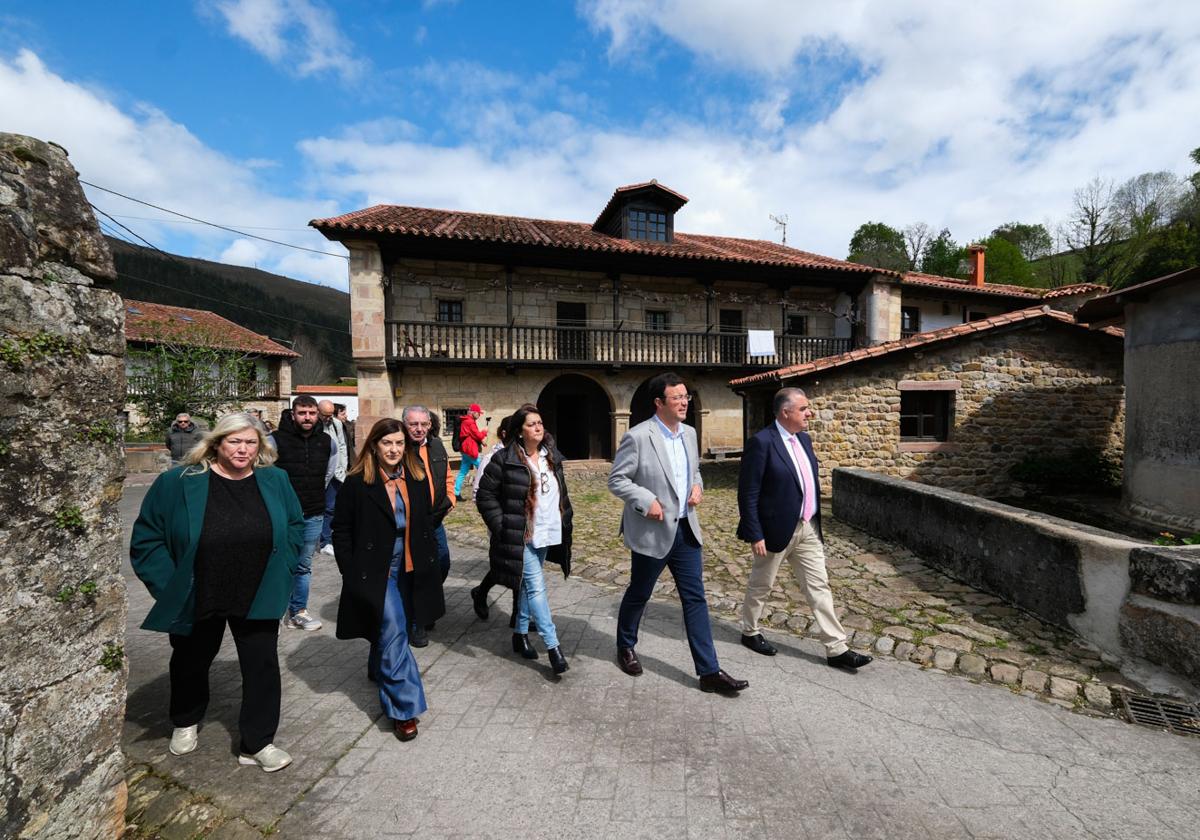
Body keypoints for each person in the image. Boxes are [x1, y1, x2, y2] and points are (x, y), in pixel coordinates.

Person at [130, 412, 305, 772]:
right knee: (190, 661)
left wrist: (285, 566)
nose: (243, 449)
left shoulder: (276, 479)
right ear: (216, 443)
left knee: (261, 667)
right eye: (235, 441)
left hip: (257, 589)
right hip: (199, 590)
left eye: (251, 442)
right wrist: (169, 587)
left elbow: (293, 525)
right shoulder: (178, 481)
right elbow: (147, 539)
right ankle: (185, 720)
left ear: (260, 446)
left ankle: (257, 743)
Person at [608, 372, 748, 695]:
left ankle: (709, 671)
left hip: (686, 530)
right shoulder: (638, 436)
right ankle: (625, 645)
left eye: (686, 396)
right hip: (652, 531)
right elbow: (617, 480)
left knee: (695, 598)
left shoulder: (689, 433)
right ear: (659, 403)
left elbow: (694, 470)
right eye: (677, 397)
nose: (684, 402)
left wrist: (698, 486)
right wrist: (646, 501)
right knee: (640, 592)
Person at [736, 388, 873, 671]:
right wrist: (754, 532)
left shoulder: (805, 440)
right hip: (775, 529)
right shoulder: (762, 443)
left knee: (819, 586)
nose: (809, 413)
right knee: (762, 585)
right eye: (803, 409)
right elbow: (748, 492)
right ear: (785, 412)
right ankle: (750, 631)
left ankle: (836, 648)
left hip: (808, 526)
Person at [333, 414, 450, 741]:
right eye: (387, 442)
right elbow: (340, 530)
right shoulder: (358, 482)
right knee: (395, 629)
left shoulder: (414, 475)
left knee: (395, 622)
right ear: (374, 444)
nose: (394, 449)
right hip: (375, 565)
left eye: (399, 443)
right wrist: (350, 570)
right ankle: (404, 707)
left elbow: (426, 516)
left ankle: (376, 664)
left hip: (411, 562)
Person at [475, 404, 573, 675]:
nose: (538, 427)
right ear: (519, 431)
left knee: (530, 584)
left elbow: (560, 491)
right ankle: (553, 646)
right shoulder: (504, 459)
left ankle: (519, 634)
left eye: (540, 422)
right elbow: (485, 496)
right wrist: (502, 526)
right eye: (531, 424)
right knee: (537, 588)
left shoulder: (550, 456)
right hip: (521, 534)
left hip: (547, 530)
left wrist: (566, 517)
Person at [269, 396, 337, 632]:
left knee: (304, 565)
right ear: (293, 414)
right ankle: (273, 612)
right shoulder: (275, 440)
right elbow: (266, 475)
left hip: (313, 512)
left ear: (317, 414)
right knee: (278, 563)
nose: (307, 417)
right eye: (302, 413)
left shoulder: (327, 441)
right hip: (282, 515)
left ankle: (298, 612)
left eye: (311, 413)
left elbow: (328, 475)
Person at [394, 406, 455, 647]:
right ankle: (416, 620)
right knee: (415, 570)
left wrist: (450, 498)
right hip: (409, 521)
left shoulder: (437, 446)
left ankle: (426, 603)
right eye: (413, 425)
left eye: (423, 424)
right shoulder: (399, 448)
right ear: (405, 425)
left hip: (435, 519)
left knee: (441, 563)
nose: (419, 429)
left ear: (430, 425)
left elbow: (447, 476)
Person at [469, 414, 513, 620]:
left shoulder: (523, 455)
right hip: (500, 523)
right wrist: (497, 522)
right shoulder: (490, 458)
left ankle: (518, 617)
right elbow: (479, 493)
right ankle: (481, 592)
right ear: (505, 433)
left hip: (520, 522)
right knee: (503, 566)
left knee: (518, 568)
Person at [317, 400, 349, 559]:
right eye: (325, 415)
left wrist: (342, 467)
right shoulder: (314, 425)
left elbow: (342, 446)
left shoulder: (336, 424)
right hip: (320, 473)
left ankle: (327, 541)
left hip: (336, 473)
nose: (328, 418)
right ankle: (320, 540)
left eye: (330, 415)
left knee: (331, 508)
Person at [454, 403, 488, 499]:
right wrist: (485, 431)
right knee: (483, 469)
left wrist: (481, 441)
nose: (479, 415)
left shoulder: (466, 421)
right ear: (473, 412)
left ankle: (456, 493)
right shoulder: (470, 422)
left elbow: (473, 435)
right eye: (478, 413)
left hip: (465, 450)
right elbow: (478, 435)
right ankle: (483, 492)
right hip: (470, 450)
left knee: (462, 472)